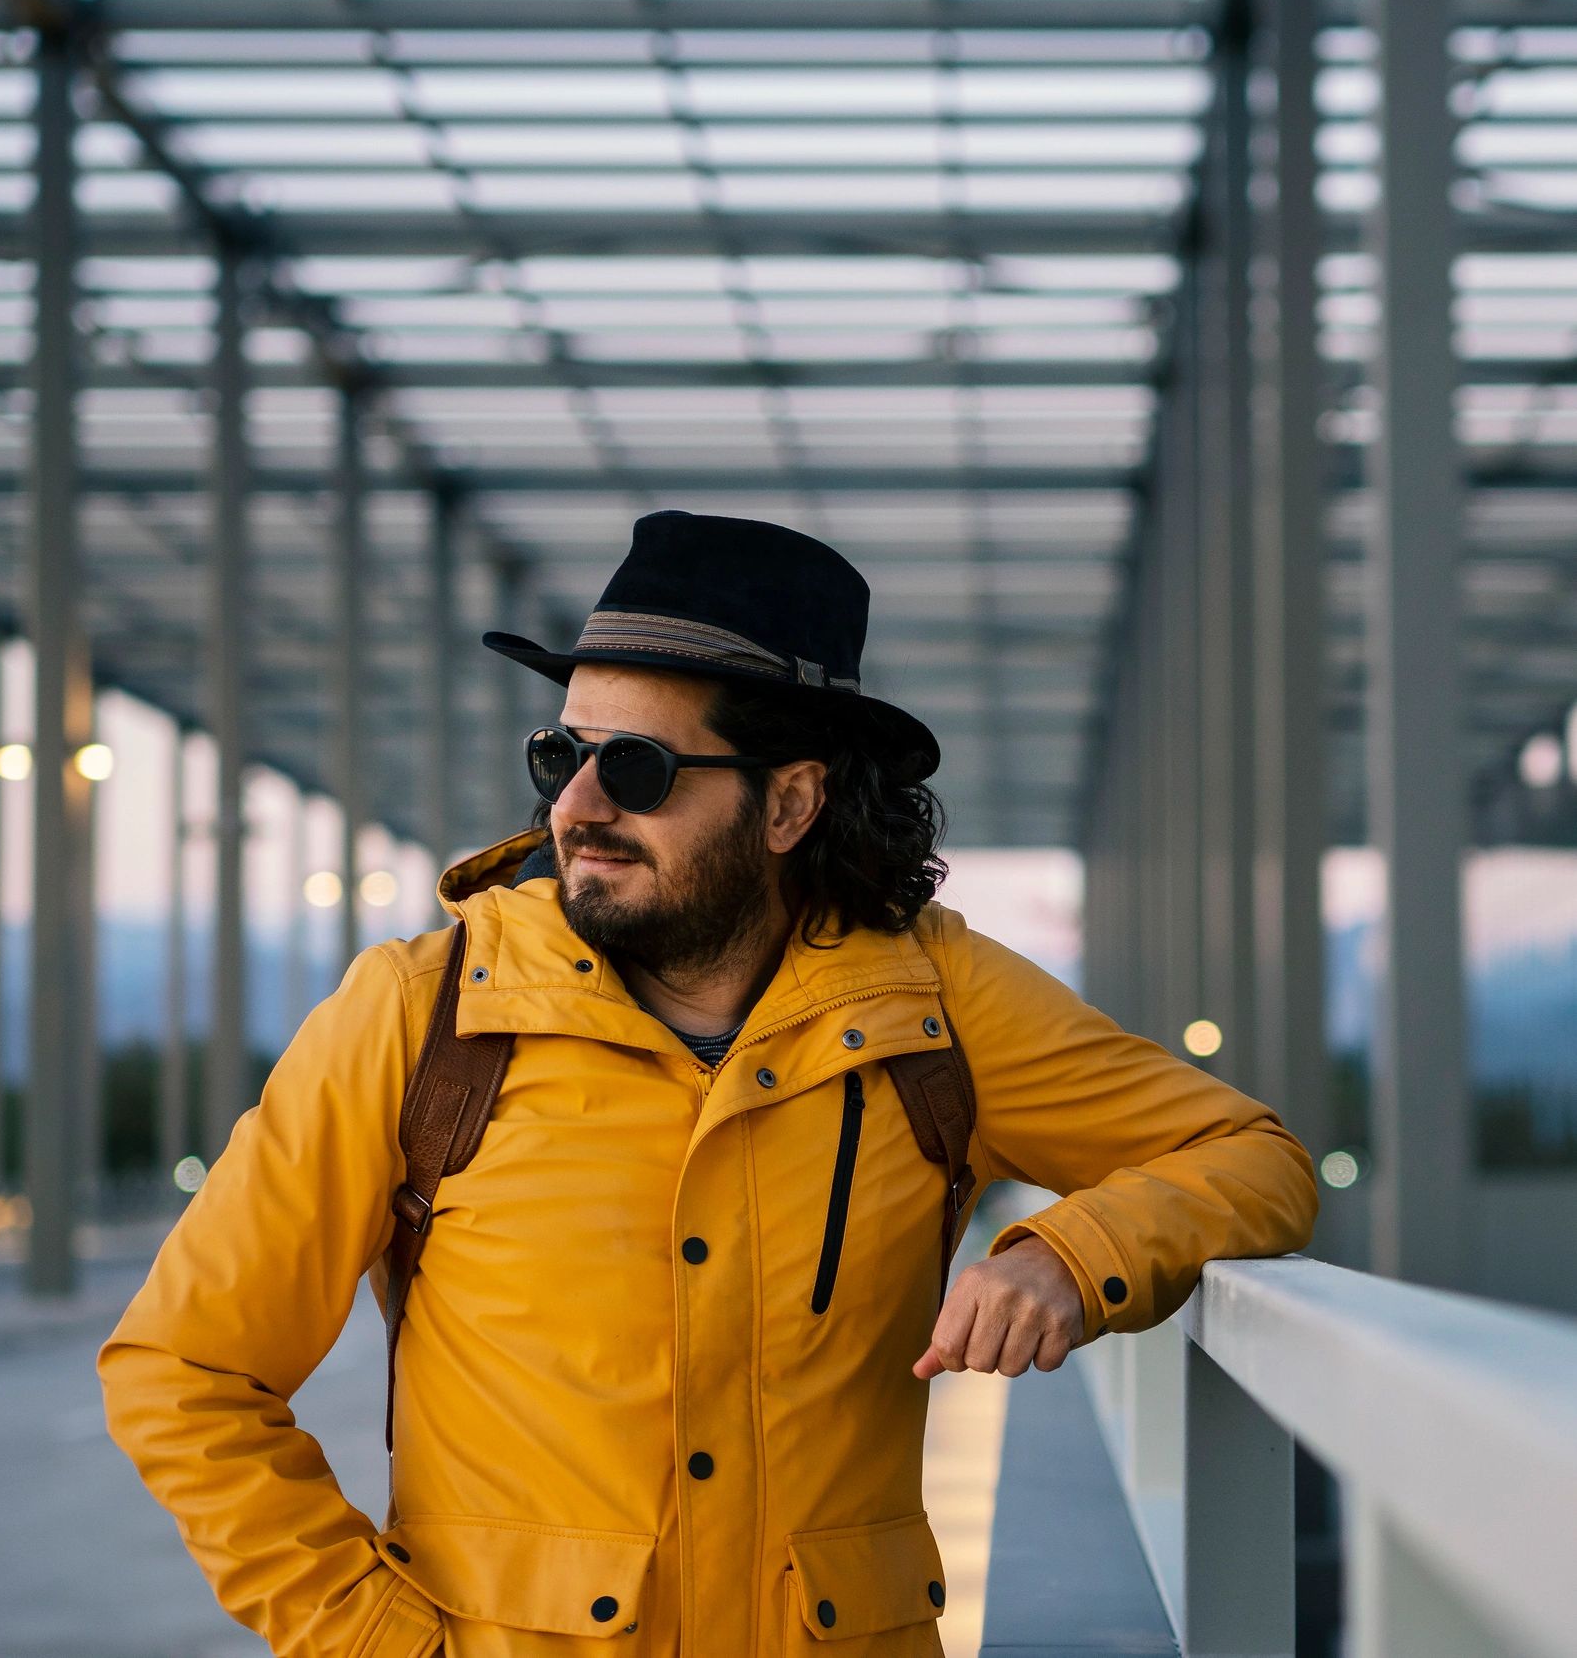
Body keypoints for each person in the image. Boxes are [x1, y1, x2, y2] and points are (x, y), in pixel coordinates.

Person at [98, 510, 1318, 1658]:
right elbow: (185, 1368)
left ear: (789, 801)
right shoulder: (419, 1016)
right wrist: (375, 1639)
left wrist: (1070, 1252)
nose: (576, 805)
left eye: (635, 766)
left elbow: (1251, 1157)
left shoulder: (934, 1004)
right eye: (559, 754)